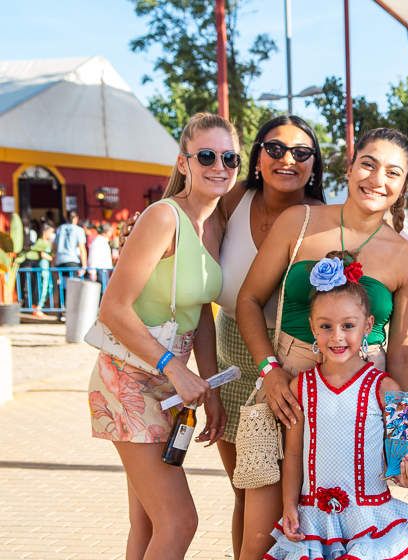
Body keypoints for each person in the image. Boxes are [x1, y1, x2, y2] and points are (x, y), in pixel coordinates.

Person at [237, 127, 408, 555]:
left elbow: (403, 355)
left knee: (349, 537)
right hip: (284, 389)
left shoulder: (407, 258)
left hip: (359, 405)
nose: (377, 179)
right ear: (350, 164)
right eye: (369, 164)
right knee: (260, 538)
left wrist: (407, 438)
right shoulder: (298, 222)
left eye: (393, 173)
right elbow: (249, 299)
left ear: (403, 186)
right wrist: (269, 372)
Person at [87, 112, 236, 559]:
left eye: (229, 157)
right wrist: (177, 369)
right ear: (183, 163)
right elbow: (113, 308)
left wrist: (208, 385)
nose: (219, 165)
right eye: (206, 155)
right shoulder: (163, 218)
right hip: (127, 381)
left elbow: (202, 314)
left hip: (169, 387)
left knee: (148, 523)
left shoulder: (212, 226)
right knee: (179, 521)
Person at [264, 257, 408, 559]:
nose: (337, 336)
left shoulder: (384, 388)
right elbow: (293, 454)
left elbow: (399, 459)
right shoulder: (300, 387)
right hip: (313, 516)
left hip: (368, 518)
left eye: (348, 326)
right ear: (312, 327)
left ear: (367, 325)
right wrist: (289, 505)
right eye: (326, 326)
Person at [215, 115, 325, 560]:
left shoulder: (322, 217)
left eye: (301, 152)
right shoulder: (234, 200)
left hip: (291, 363)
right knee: (246, 489)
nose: (287, 159)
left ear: (314, 165)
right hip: (232, 355)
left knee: (282, 495)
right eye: (275, 148)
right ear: (257, 156)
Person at [31, 224, 55, 319]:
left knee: (49, 287)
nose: (51, 234)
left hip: (47, 267)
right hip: (43, 267)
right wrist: (51, 258)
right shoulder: (40, 241)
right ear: (45, 231)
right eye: (51, 232)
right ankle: (38, 308)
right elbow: (42, 254)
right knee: (42, 287)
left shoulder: (47, 242)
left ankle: (39, 307)